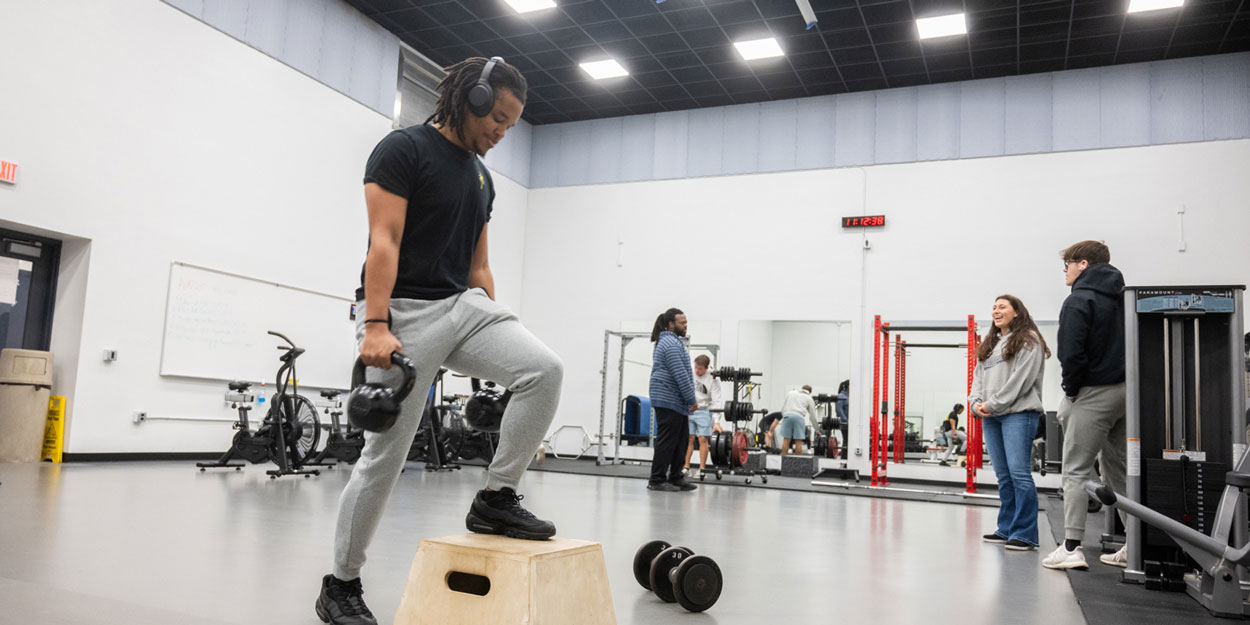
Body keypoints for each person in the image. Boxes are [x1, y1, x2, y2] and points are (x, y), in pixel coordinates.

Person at [316, 57, 565, 625]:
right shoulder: (402, 150)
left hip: (463, 305)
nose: (501, 133)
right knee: (385, 456)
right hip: (403, 310)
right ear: (472, 100)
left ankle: (496, 498)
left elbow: (480, 267)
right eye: (497, 119)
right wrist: (375, 325)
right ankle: (340, 584)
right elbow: (384, 241)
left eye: (510, 125)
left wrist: (496, 336)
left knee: (543, 369)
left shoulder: (481, 177)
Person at [1043, 240, 1129, 571]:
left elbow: (1071, 353)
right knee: (1120, 471)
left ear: (1082, 264)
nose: (1064, 272)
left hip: (1092, 392)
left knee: (1076, 470)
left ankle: (1071, 547)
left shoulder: (1078, 300)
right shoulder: (1125, 298)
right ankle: (1133, 546)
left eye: (1067, 265)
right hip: (1126, 393)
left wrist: (1071, 389)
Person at [970, 294, 1049, 552]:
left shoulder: (1029, 340)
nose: (996, 310)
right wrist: (975, 403)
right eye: (993, 307)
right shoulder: (990, 345)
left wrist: (991, 405)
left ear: (1017, 312)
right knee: (1003, 476)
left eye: (1002, 306)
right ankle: (1006, 529)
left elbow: (1021, 381)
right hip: (991, 417)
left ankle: (1025, 534)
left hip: (1018, 414)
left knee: (1019, 474)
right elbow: (977, 380)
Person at [647, 308, 698, 492]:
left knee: (681, 440)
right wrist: (691, 399)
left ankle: (676, 476)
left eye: (685, 322)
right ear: (670, 324)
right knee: (667, 441)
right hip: (668, 398)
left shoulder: (673, 342)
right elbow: (680, 375)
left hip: (675, 400)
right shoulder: (670, 344)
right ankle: (656, 480)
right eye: (681, 323)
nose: (685, 326)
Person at [684, 354, 723, 477]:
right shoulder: (690, 372)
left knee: (702, 439)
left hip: (705, 410)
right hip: (690, 409)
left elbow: (717, 400)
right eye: (696, 367)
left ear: (706, 368)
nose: (697, 371)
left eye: (700, 369)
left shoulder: (713, 378)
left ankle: (702, 470)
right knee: (689, 438)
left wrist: (716, 421)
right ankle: (686, 468)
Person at [778, 385, 818, 455]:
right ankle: (797, 463)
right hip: (799, 417)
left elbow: (783, 408)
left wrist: (785, 416)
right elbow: (813, 416)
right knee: (798, 441)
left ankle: (783, 461)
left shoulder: (790, 393)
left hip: (787, 416)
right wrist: (817, 429)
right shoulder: (809, 398)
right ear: (810, 392)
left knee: (786, 440)